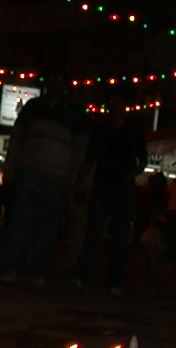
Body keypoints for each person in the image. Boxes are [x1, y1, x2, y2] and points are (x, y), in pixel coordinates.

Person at [0, 65, 89, 285]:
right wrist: (10, 171)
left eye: (60, 78)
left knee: (48, 227)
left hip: (57, 177)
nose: (56, 82)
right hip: (30, 172)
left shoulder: (76, 113)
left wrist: (75, 181)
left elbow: (80, 152)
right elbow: (16, 141)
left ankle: (39, 270)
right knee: (21, 223)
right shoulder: (32, 107)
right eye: (52, 77)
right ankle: (14, 267)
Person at [72, 108, 147, 294]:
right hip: (106, 183)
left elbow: (142, 160)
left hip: (119, 184)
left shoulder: (131, 131)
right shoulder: (102, 130)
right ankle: (88, 276)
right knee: (96, 232)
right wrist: (79, 182)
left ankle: (112, 279)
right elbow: (90, 158)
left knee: (116, 235)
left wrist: (131, 175)